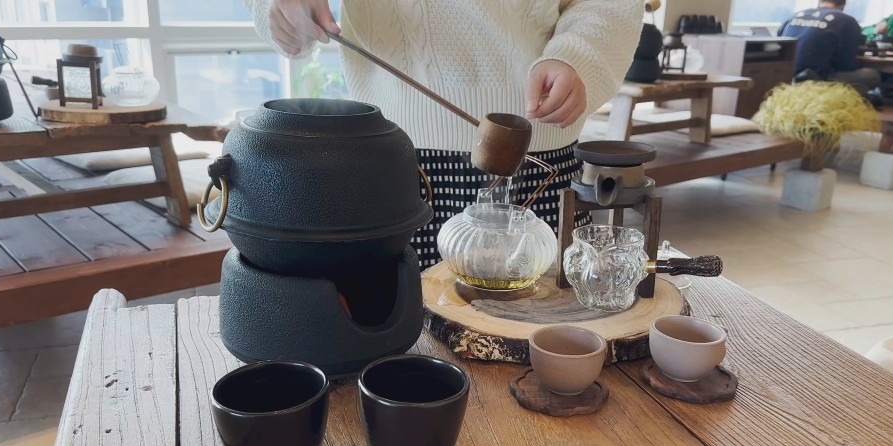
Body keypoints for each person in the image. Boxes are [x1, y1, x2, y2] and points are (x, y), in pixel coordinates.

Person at [244, 0, 642, 268]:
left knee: (538, 333)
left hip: (540, 156)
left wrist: (577, 56)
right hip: (391, 160)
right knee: (399, 340)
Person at [778, 0, 881, 92]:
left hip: (783, 76)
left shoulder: (795, 15)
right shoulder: (847, 20)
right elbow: (846, 65)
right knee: (872, 75)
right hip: (814, 79)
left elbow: (779, 40)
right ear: (843, 5)